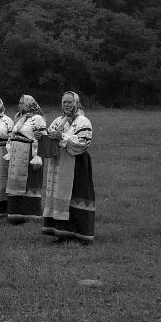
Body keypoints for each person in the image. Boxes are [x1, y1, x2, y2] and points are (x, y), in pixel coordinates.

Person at [41, 91, 96, 243]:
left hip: (76, 164)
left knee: (74, 196)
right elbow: (50, 135)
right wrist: (43, 137)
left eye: (69, 102)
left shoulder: (83, 121)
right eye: (64, 102)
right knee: (59, 196)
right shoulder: (58, 120)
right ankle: (61, 233)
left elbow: (83, 143)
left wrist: (62, 137)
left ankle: (78, 234)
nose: (66, 105)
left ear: (76, 103)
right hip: (58, 163)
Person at [4, 94, 47, 223]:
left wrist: (38, 157)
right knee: (16, 183)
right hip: (17, 156)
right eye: (19, 103)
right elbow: (13, 136)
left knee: (30, 183)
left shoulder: (37, 118)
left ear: (29, 104)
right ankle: (15, 215)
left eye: (22, 103)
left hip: (29, 156)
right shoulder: (21, 118)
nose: (19, 105)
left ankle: (31, 216)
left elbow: (43, 138)